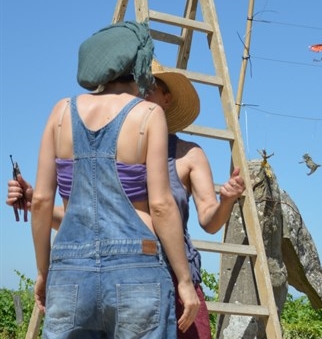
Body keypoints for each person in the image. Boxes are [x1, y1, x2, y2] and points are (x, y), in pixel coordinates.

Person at [9, 59, 245, 339]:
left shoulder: (189, 154)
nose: (141, 92)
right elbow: (86, 220)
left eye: (150, 87)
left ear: (167, 98)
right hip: (121, 274)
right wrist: (34, 201)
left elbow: (209, 221)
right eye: (139, 84)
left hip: (174, 275)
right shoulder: (114, 152)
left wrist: (226, 200)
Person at [29, 21, 199, 338]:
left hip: (70, 268)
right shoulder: (148, 114)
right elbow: (161, 206)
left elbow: (40, 201)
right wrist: (185, 281)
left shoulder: (61, 112)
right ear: (138, 65)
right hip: (137, 264)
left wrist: (43, 271)